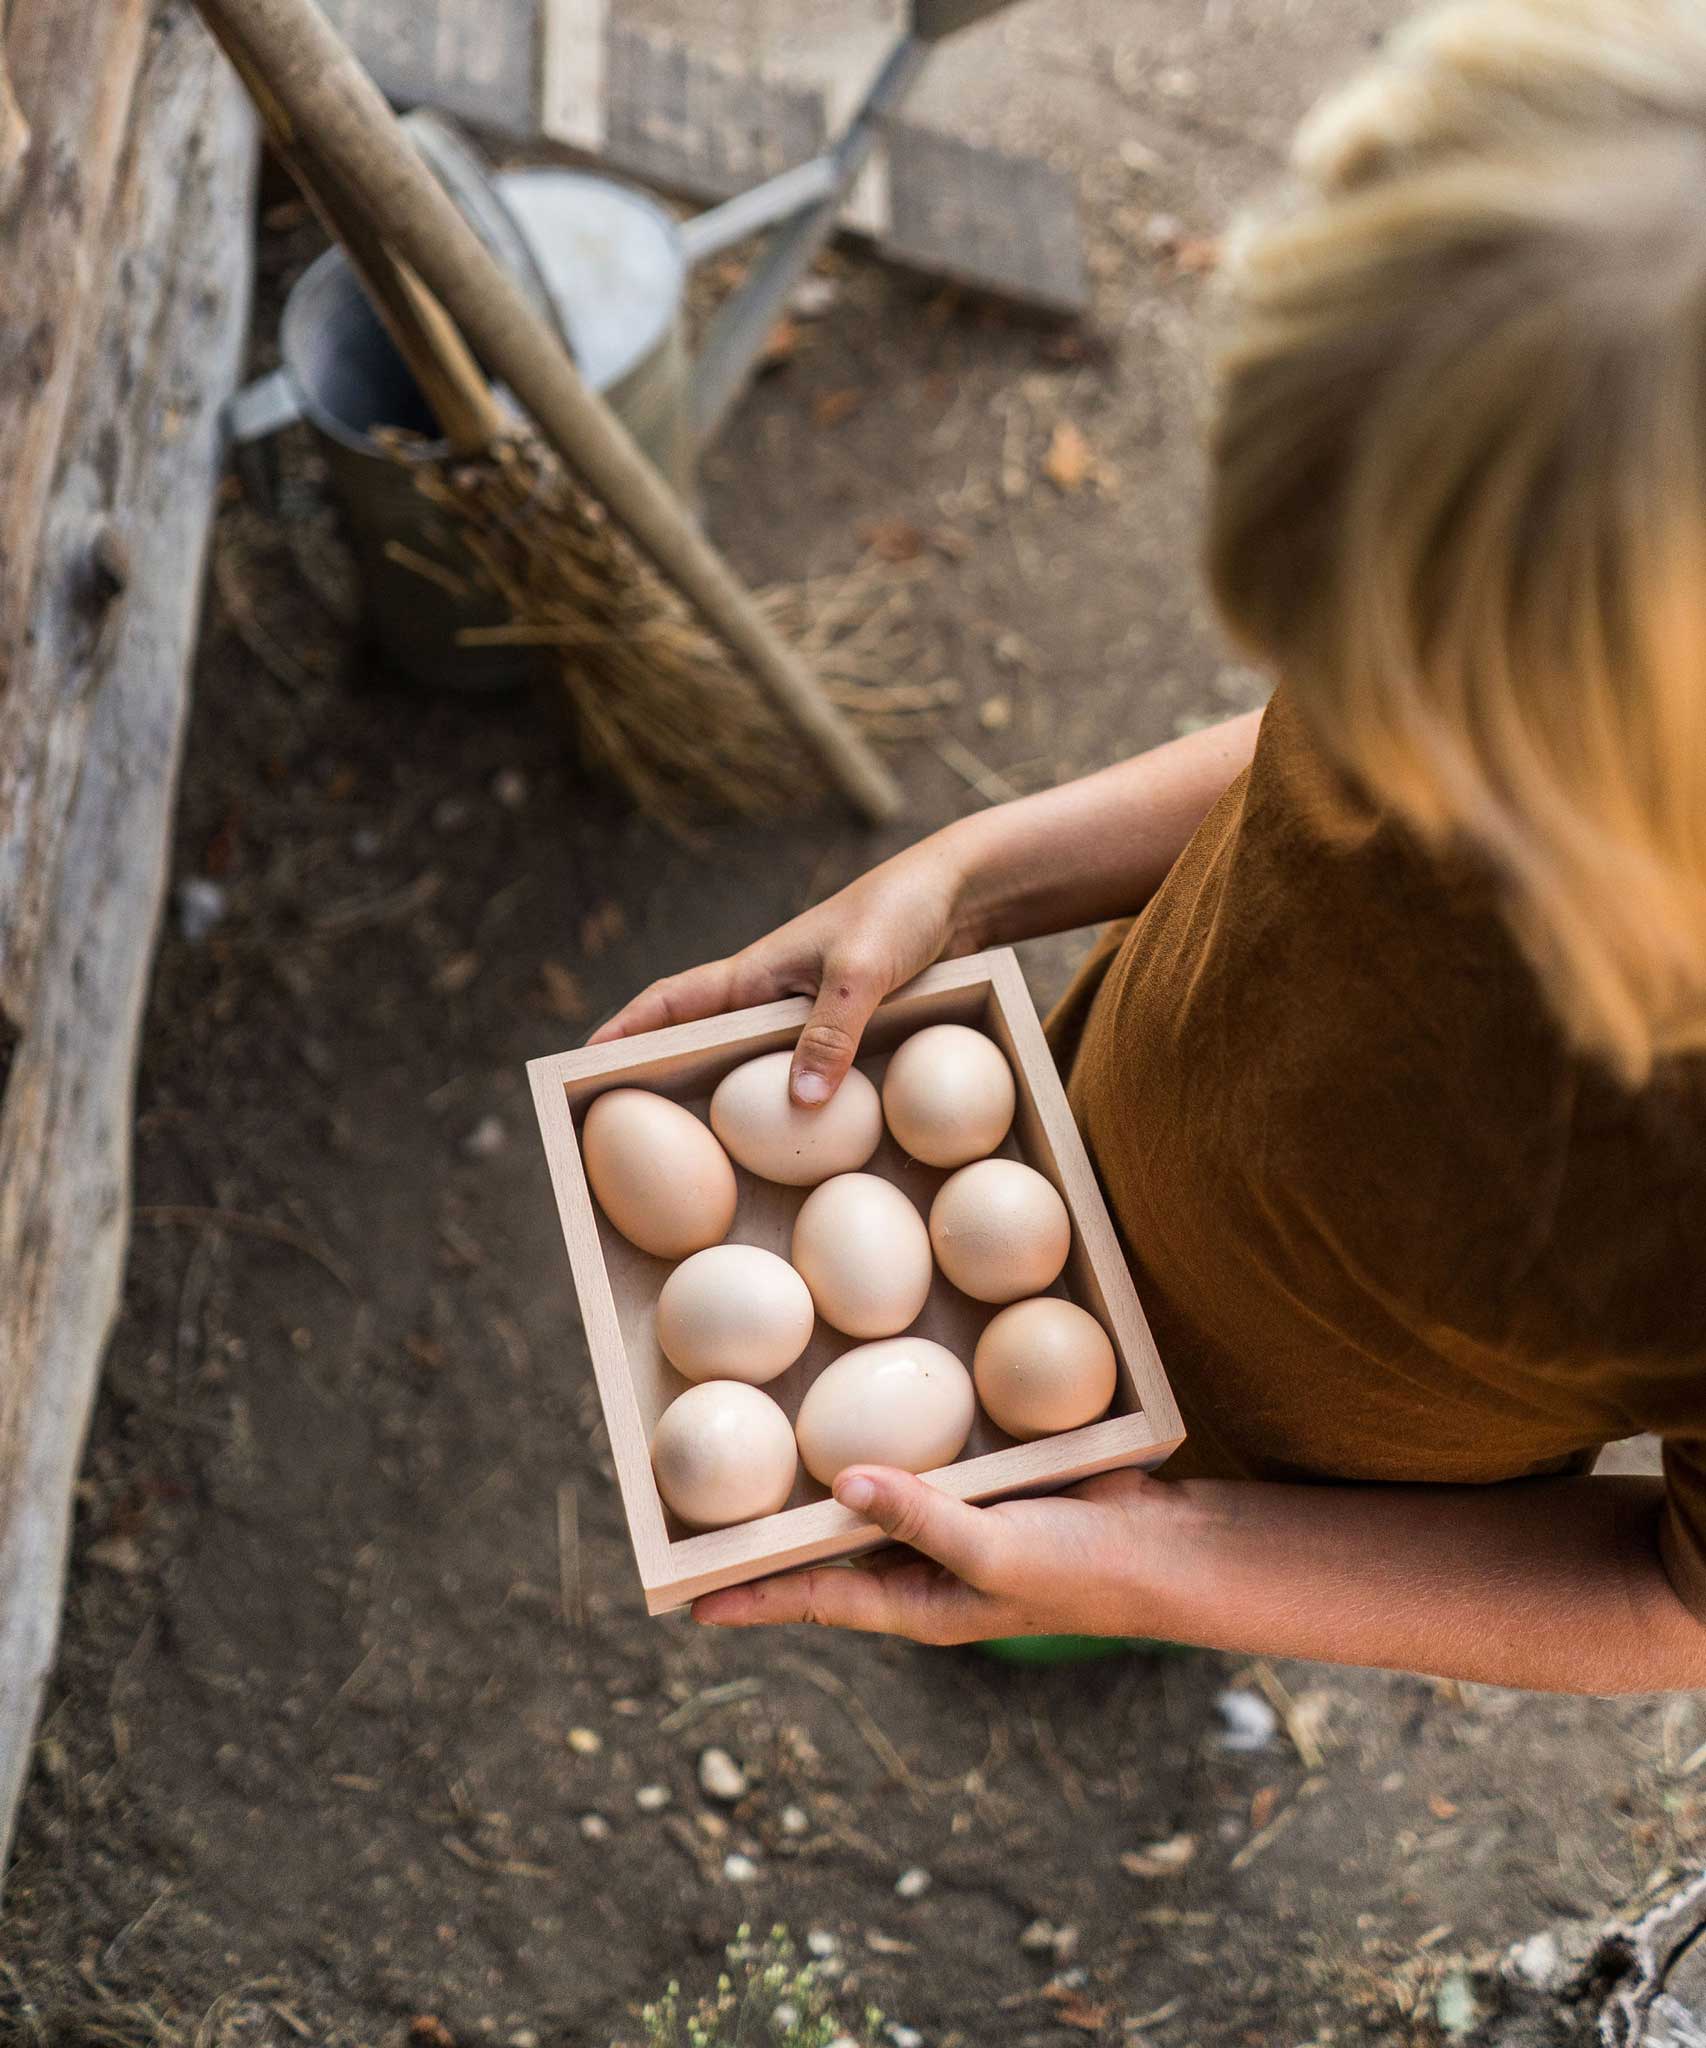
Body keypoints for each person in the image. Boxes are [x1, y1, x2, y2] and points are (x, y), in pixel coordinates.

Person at [592, 0, 1706, 1693]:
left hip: (1304, 1480)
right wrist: (982, 872)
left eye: (1454, 742)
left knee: (1041, 1595)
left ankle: (1087, 1630)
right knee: (1010, 1464)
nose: (1363, 738)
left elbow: (1678, 1602)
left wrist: (1165, 1560)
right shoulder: (1573, 515)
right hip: (1109, 1124)